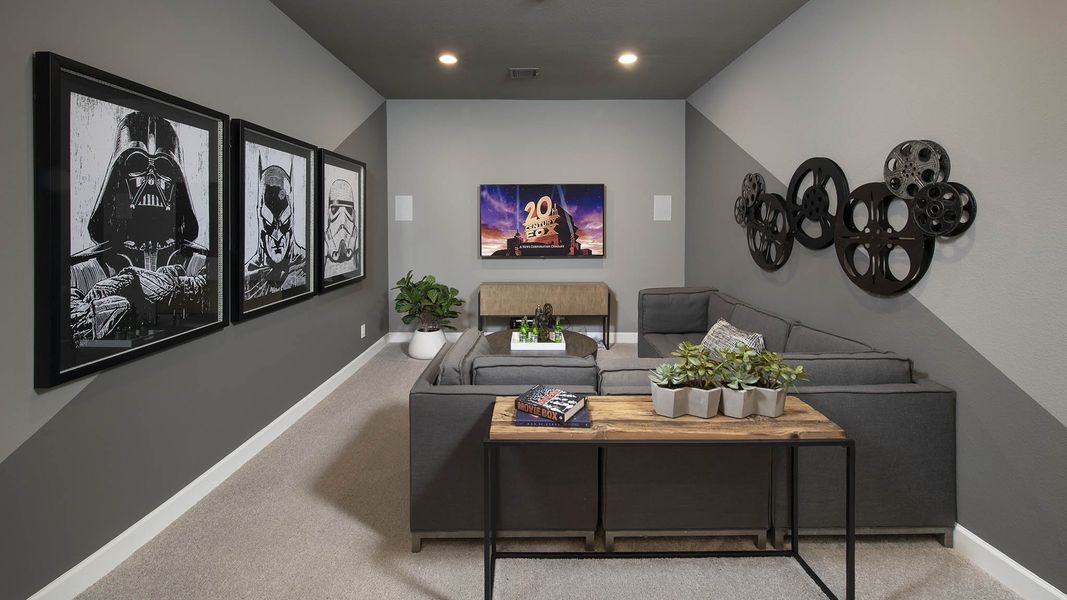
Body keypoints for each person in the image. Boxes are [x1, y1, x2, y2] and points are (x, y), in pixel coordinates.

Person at [69, 111, 208, 341]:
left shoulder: (202, 262)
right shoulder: (79, 271)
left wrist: (139, 283)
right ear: (119, 178)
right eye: (137, 163)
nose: (150, 179)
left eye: (163, 168)